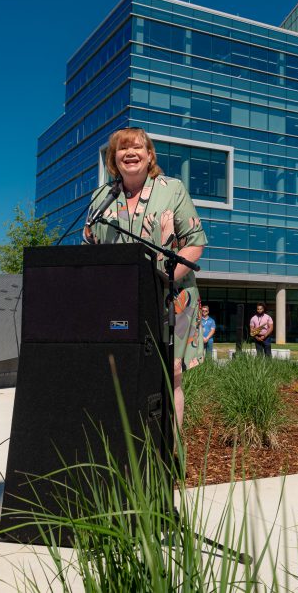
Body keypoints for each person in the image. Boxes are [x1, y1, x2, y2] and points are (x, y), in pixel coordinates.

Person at [84, 127, 206, 429]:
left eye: (137, 147)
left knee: (170, 376)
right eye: (121, 149)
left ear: (149, 154)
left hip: (169, 297)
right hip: (118, 302)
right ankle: (128, 455)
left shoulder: (171, 188)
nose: (130, 153)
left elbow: (194, 243)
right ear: (114, 159)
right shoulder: (101, 196)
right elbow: (89, 248)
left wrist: (160, 282)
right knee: (121, 375)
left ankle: (170, 459)